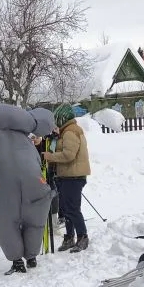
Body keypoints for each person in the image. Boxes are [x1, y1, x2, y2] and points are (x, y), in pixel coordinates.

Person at [0, 99, 55, 274]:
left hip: (2, 187)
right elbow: (36, 162)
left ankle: (17, 259)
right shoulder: (25, 140)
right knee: (34, 219)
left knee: (4, 221)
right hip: (33, 185)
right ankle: (31, 256)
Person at [42, 103, 92, 252]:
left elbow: (69, 155)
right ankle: (69, 236)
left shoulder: (70, 131)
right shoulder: (66, 131)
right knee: (66, 209)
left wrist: (50, 156)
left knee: (72, 209)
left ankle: (82, 236)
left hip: (73, 176)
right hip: (66, 176)